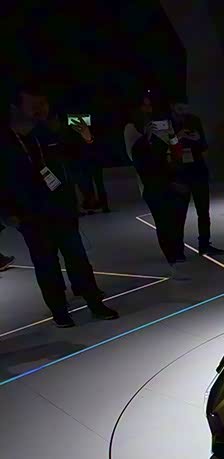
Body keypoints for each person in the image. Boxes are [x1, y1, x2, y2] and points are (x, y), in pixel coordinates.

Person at [0, 82, 118, 326]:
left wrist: (85, 139)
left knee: (78, 258)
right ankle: (59, 311)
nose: (41, 109)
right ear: (15, 108)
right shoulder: (6, 142)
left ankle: (94, 302)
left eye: (43, 103)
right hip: (31, 215)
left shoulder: (48, 134)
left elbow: (75, 159)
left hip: (62, 209)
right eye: (34, 104)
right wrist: (8, 213)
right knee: (46, 264)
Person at [129, 94, 192, 277]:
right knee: (164, 224)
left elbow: (176, 154)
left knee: (176, 220)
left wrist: (172, 136)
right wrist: (148, 138)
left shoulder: (162, 140)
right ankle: (172, 260)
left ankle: (177, 254)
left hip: (173, 184)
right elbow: (145, 166)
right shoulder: (138, 142)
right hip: (155, 188)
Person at [170, 98, 223, 255]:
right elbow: (164, 147)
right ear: (172, 106)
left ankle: (204, 244)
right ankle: (177, 248)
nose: (183, 112)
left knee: (203, 210)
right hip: (179, 171)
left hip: (197, 168)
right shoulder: (167, 123)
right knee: (179, 213)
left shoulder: (194, 120)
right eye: (179, 108)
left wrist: (198, 139)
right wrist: (178, 137)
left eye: (185, 108)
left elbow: (204, 145)